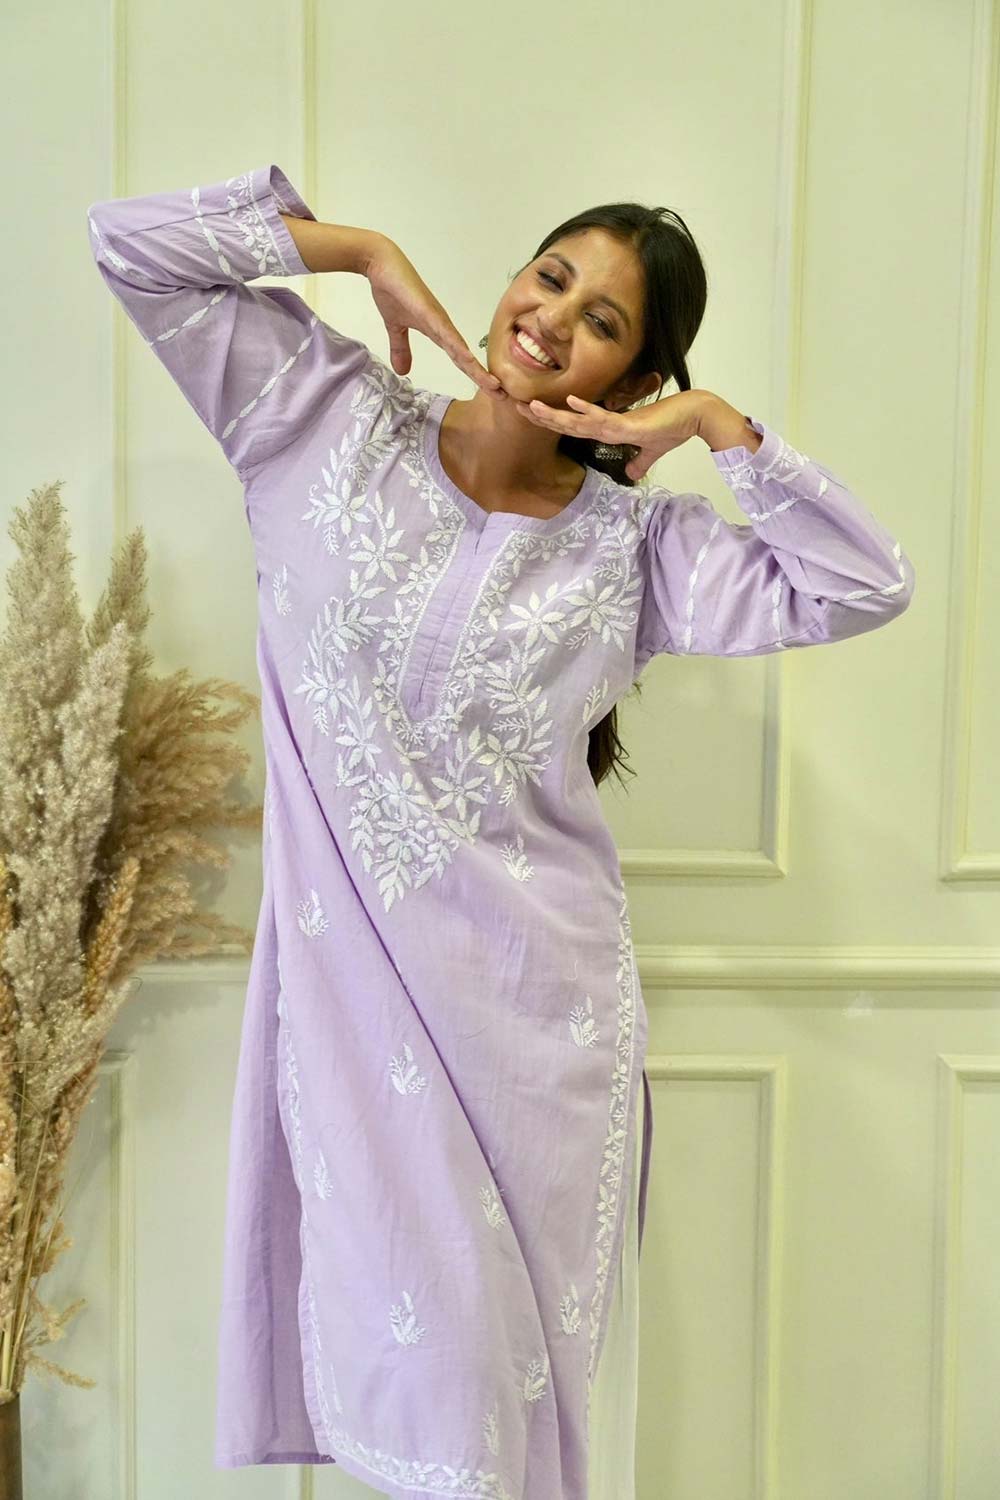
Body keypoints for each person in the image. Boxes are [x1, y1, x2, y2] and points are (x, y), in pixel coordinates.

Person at [86, 164, 915, 1500]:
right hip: (357, 1015)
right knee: (433, 1403)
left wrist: (716, 425)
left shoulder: (636, 553)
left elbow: (861, 584)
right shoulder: (317, 416)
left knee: (504, 1431)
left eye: (604, 323)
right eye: (552, 278)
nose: (555, 320)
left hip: (540, 1037)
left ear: (633, 381)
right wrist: (358, 249)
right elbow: (126, 244)